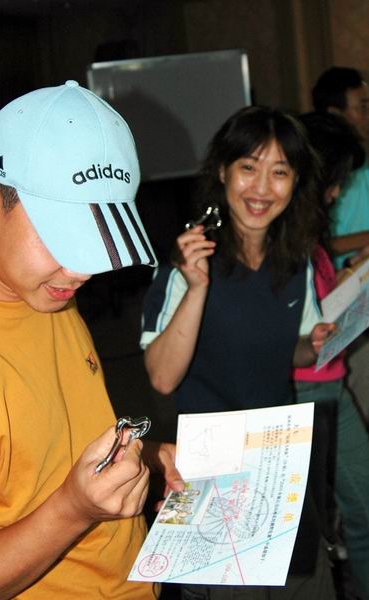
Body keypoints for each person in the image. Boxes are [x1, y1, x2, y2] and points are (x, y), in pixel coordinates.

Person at [0, 80, 184, 599]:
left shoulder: (45, 287)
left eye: (98, 241)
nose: (82, 270)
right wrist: (74, 510)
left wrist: (144, 461)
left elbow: (50, 453)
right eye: (64, 238)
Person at [141, 106, 336, 600]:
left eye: (280, 172)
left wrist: (311, 344)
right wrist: (196, 287)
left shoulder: (297, 258)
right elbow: (162, 377)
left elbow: (286, 352)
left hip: (279, 457)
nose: (262, 188)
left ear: (296, 182)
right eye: (249, 167)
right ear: (223, 172)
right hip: (211, 465)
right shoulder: (189, 260)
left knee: (306, 585)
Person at [293, 111, 369, 600]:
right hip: (309, 389)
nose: (338, 192)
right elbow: (294, 330)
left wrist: (352, 278)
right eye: (335, 181)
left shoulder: (308, 233)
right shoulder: (287, 237)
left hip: (328, 382)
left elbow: (317, 307)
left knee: (360, 510)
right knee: (343, 516)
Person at [312, 66, 369, 424]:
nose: (368, 115)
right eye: (362, 106)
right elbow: (322, 247)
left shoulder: (357, 167)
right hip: (335, 316)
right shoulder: (325, 179)